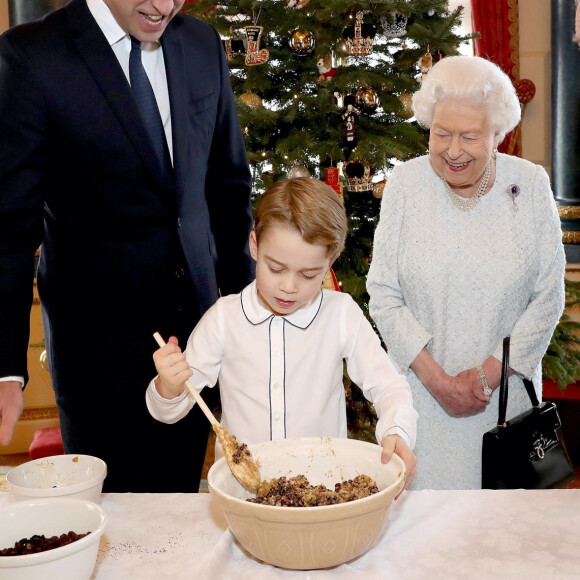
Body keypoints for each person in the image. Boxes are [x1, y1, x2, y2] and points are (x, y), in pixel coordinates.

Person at [0, 0, 254, 492]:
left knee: (179, 515)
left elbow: (228, 189)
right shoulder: (31, 58)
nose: (164, 5)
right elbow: (9, 231)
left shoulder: (202, 44)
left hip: (195, 341)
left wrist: (246, 315)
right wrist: (5, 369)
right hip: (98, 355)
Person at [366, 55, 565, 490]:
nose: (453, 151)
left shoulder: (530, 185)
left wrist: (483, 376)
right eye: (442, 134)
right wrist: (438, 381)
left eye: (470, 137)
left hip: (504, 407)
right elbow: (382, 292)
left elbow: (548, 295)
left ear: (497, 135)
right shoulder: (404, 184)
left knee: (501, 542)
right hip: (420, 404)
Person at [146, 177, 418, 490]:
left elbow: (388, 385)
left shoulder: (340, 314)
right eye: (275, 269)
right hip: (243, 493)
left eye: (308, 274)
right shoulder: (224, 318)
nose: (289, 287)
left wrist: (397, 430)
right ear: (254, 245)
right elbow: (171, 410)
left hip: (321, 491)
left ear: (329, 262)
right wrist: (169, 387)